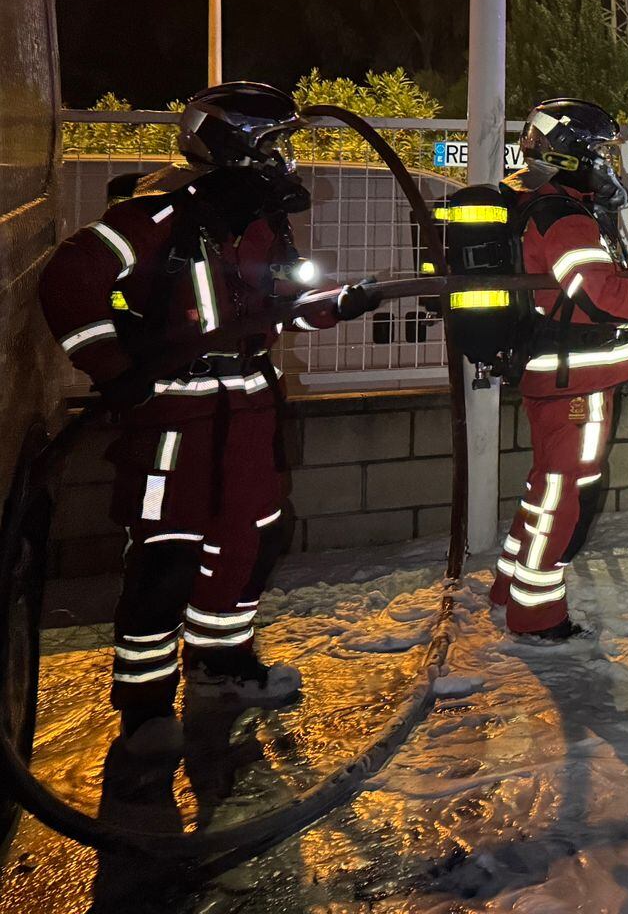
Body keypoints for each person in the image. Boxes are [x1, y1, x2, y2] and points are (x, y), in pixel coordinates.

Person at [39, 83, 383, 760]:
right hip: (174, 417)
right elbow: (69, 282)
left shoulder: (249, 221)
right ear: (231, 142)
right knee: (166, 558)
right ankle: (143, 710)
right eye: (273, 144)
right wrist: (113, 370)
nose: (283, 160)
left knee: (250, 540)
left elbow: (269, 301)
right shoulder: (155, 212)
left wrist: (334, 301)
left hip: (248, 409)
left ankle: (222, 669)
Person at [490, 98, 628, 643]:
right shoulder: (562, 215)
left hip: (566, 374)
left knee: (548, 486)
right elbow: (600, 299)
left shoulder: (551, 204)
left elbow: (590, 282)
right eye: (602, 152)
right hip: (575, 381)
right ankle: (535, 615)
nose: (610, 164)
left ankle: (508, 583)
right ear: (570, 152)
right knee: (565, 491)